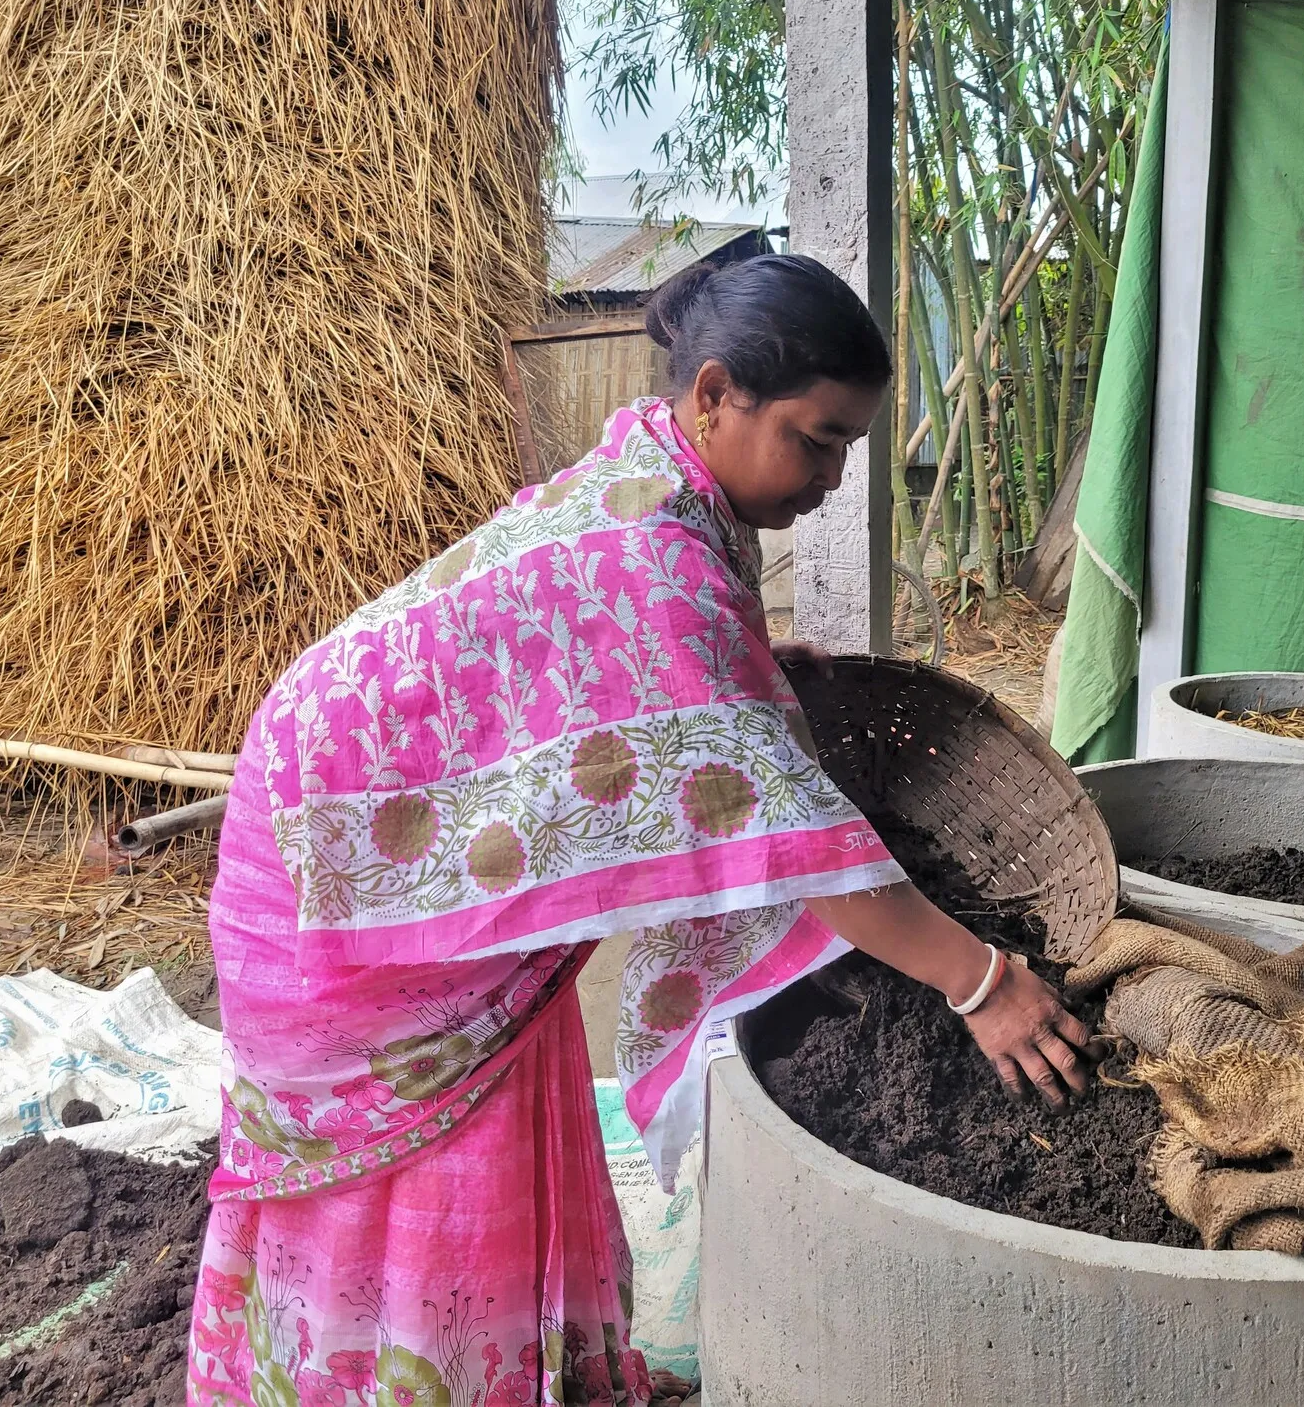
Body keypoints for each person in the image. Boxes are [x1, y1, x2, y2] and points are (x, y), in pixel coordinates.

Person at [185, 253, 1095, 1407]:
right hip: (338, 873)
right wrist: (979, 982)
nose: (830, 479)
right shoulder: (658, 549)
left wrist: (746, 673)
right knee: (429, 1168)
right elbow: (796, 839)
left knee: (499, 1119)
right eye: (816, 441)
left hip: (359, 808)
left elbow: (620, 668)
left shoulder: (662, 471)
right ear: (713, 395)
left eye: (848, 449)